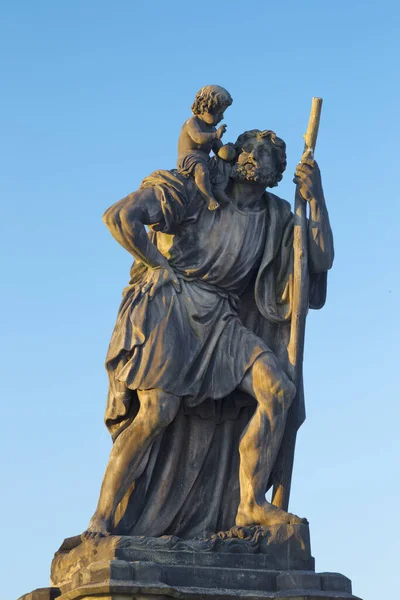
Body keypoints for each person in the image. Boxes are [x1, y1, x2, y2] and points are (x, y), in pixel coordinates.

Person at [83, 129, 334, 540]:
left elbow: (318, 259)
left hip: (220, 318)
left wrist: (317, 197)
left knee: (277, 390)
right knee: (156, 413)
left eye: (267, 157)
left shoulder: (277, 216)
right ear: (234, 156)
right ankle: (102, 518)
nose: (257, 160)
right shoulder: (195, 191)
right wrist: (156, 266)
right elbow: (119, 216)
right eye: (252, 151)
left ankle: (250, 502)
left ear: (275, 174)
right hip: (171, 305)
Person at [177, 85, 234, 210]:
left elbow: (218, 150)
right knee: (201, 170)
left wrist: (227, 151)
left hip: (206, 160)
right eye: (219, 113)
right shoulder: (192, 122)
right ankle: (208, 198)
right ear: (206, 109)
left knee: (224, 165)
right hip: (190, 158)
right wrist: (215, 135)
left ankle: (219, 190)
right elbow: (198, 138)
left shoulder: (212, 128)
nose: (222, 117)